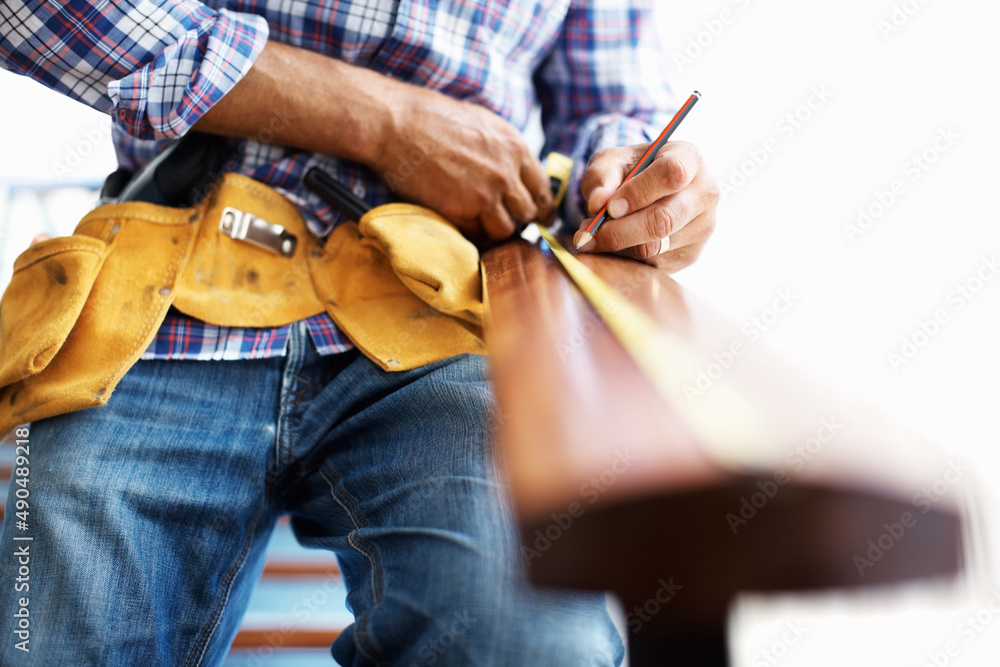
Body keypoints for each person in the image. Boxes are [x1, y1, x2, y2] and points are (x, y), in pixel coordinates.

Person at [0, 0, 718, 664]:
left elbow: (611, 108)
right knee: (52, 639)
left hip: (443, 317)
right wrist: (387, 122)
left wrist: (636, 180)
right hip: (171, 300)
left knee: (532, 638)